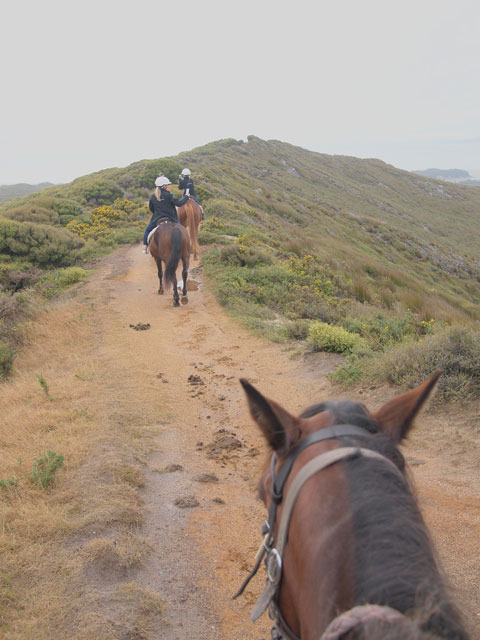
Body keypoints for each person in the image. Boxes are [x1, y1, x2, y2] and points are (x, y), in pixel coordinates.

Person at [142, 176, 189, 253]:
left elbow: (151, 208)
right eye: (166, 185)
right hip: (171, 218)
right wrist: (186, 197)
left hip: (157, 218)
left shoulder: (153, 196)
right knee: (181, 230)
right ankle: (186, 247)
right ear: (163, 186)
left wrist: (157, 213)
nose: (167, 186)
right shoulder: (169, 194)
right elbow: (179, 204)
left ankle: (144, 248)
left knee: (147, 230)